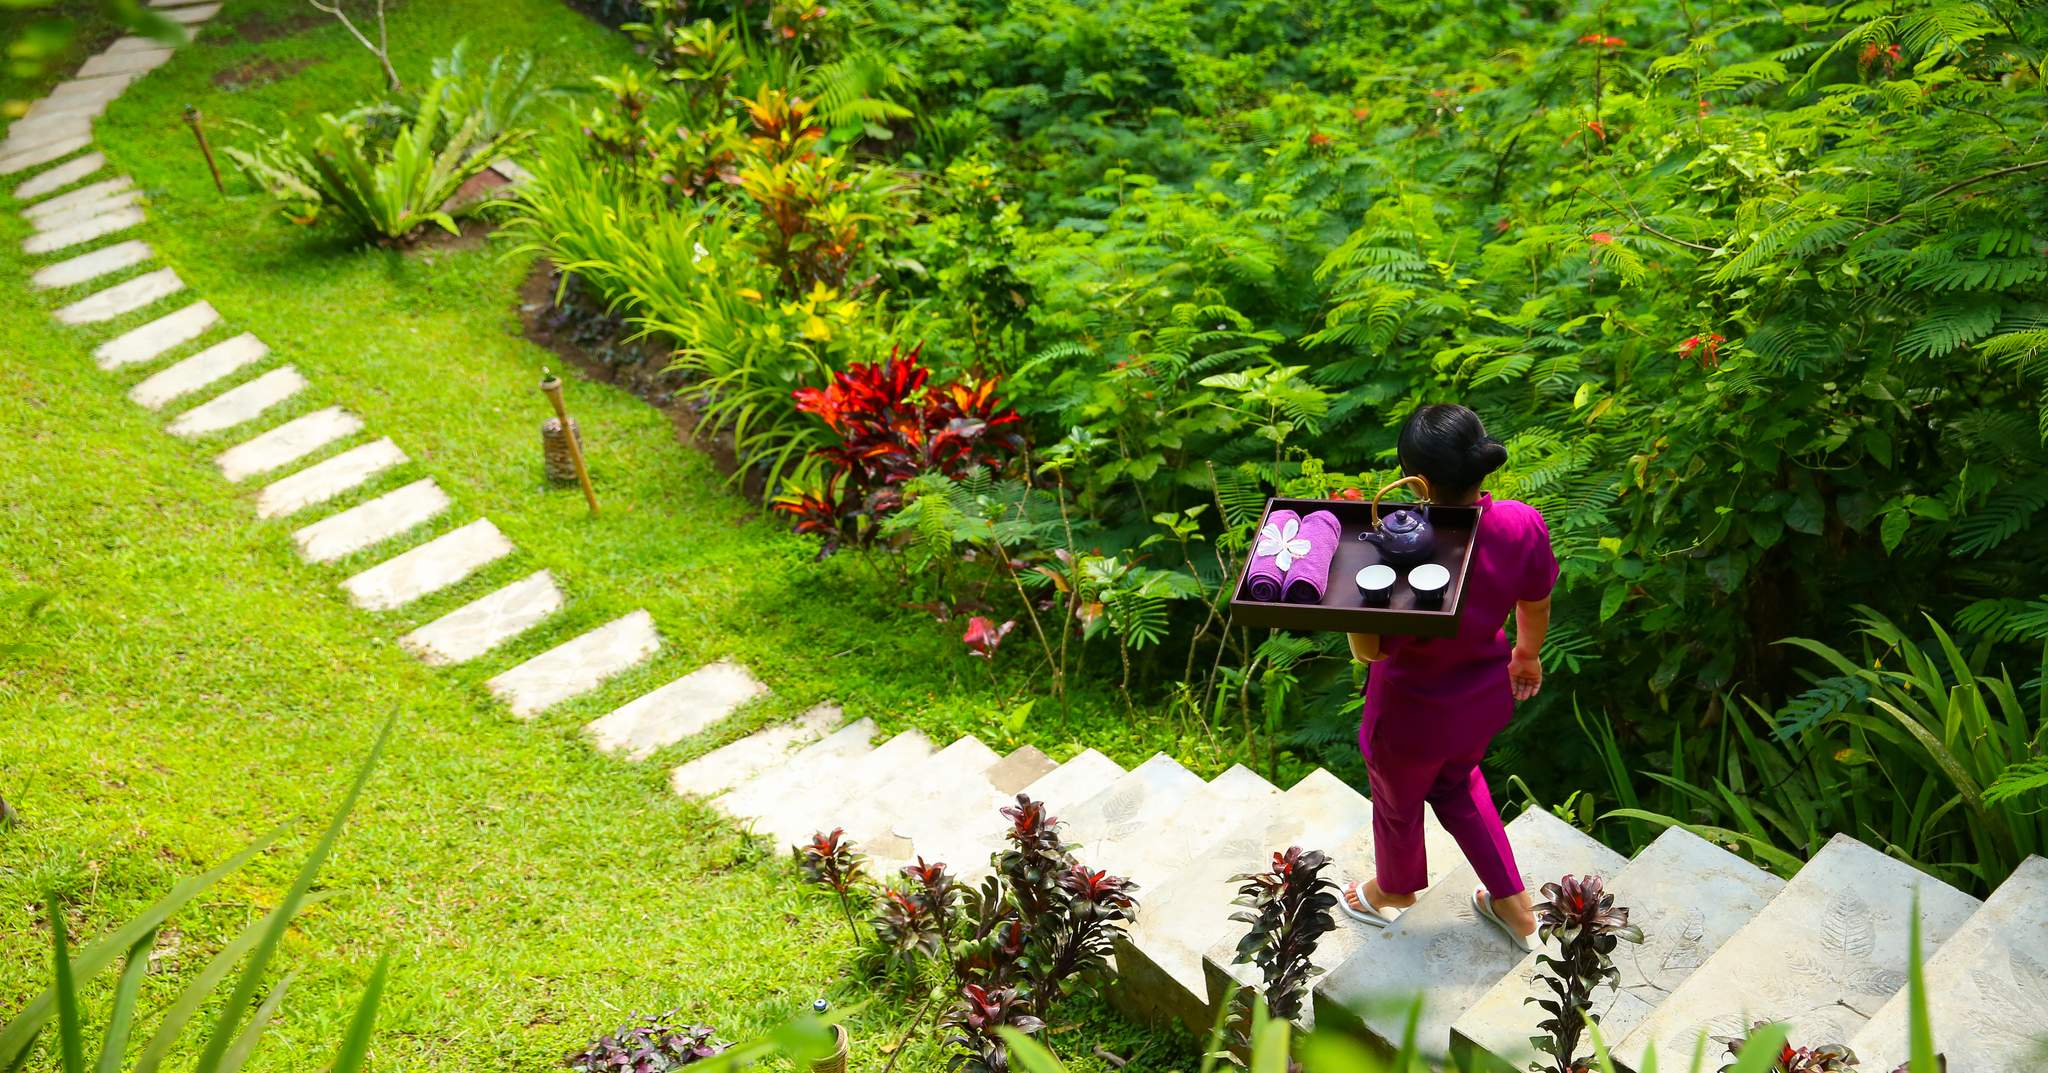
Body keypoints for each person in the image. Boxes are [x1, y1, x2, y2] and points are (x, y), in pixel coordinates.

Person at [1338, 403, 1556, 951]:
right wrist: (1527, 655)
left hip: (1408, 714)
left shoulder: (1402, 543)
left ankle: (1394, 890)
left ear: (1417, 480)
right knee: (1458, 782)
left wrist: (1347, 591)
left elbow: (1371, 652)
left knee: (1397, 800)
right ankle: (1515, 905)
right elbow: (1536, 599)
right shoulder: (1520, 521)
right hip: (1482, 695)